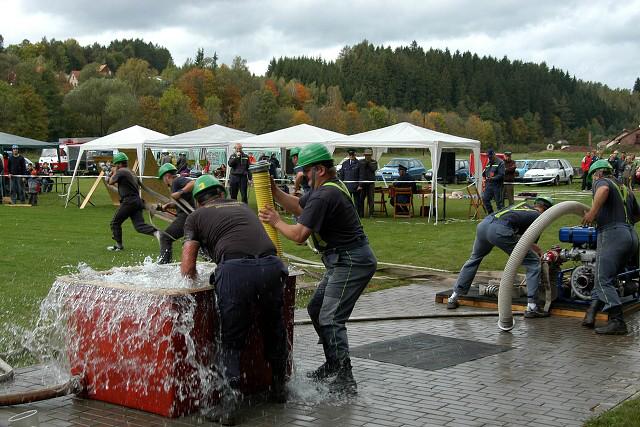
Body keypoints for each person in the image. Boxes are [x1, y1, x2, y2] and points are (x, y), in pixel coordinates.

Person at [258, 143, 377, 396]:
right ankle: (333, 363)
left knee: (331, 317)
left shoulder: (325, 195)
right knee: (316, 308)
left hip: (351, 262)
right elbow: (301, 208)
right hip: (341, 261)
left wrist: (276, 221)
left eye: (305, 171)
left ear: (319, 170)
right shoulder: (325, 189)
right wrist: (275, 191)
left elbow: (300, 234)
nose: (302, 176)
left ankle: (345, 377)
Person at [181, 175, 288, 425]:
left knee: (231, 339)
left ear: (198, 200)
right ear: (222, 193)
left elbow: (187, 268)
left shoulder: (195, 216)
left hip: (236, 271)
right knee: (274, 327)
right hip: (272, 267)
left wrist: (195, 283)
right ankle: (279, 388)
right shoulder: (242, 206)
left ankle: (229, 405)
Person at [447, 196, 555, 318]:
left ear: (535, 204)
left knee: (474, 259)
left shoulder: (521, 206)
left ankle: (453, 297)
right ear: (546, 210)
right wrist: (539, 252)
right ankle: (532, 307)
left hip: (484, 225)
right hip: (500, 230)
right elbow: (529, 243)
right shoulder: (538, 217)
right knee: (533, 262)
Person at [581, 160, 639, 335]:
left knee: (601, 280)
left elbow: (603, 190)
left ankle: (617, 321)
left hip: (612, 234)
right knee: (610, 277)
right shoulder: (625, 188)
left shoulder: (602, 181)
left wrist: (593, 212)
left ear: (597, 174)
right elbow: (637, 214)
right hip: (631, 235)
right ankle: (591, 314)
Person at [107, 152, 160, 251]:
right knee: (139, 226)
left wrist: (112, 173)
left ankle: (119, 246)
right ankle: (157, 233)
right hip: (136, 201)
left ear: (118, 164)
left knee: (115, 222)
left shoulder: (121, 171)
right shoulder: (131, 172)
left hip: (129, 201)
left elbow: (110, 182)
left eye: (115, 165)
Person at [156, 163, 195, 264]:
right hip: (190, 217)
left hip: (186, 217)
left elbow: (193, 183)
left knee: (165, 237)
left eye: (163, 179)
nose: (164, 182)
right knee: (196, 242)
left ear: (167, 176)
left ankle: (164, 264)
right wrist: (169, 205)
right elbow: (181, 201)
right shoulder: (176, 183)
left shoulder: (177, 180)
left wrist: (180, 192)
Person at [481, 149, 505, 214]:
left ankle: (502, 217)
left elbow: (501, 175)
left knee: (499, 203)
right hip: (489, 185)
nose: (489, 158)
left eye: (491, 156)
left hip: (497, 185)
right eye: (488, 156)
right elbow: (485, 173)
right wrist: (484, 177)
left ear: (494, 155)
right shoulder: (488, 163)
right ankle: (491, 214)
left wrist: (493, 178)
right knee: (485, 199)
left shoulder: (500, 162)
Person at [358, 148, 378, 217]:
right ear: (364, 155)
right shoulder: (361, 162)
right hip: (363, 183)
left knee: (371, 199)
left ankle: (371, 214)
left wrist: (368, 162)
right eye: (366, 155)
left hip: (370, 183)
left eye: (369, 155)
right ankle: (361, 214)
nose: (367, 156)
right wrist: (366, 162)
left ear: (371, 155)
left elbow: (373, 169)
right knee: (361, 199)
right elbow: (361, 169)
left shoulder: (374, 162)